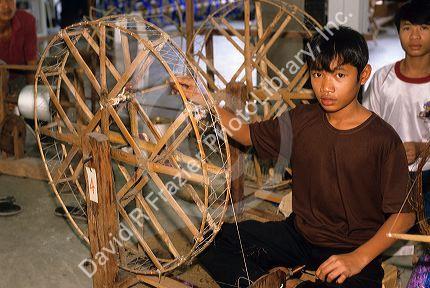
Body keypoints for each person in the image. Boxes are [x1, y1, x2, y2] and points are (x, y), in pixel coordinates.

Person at [174, 26, 416, 288]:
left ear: (363, 75)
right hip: (299, 236)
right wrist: (204, 98)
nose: (326, 86)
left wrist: (358, 258)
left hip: (352, 248)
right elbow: (245, 135)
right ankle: (263, 283)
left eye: (339, 75)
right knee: (209, 239)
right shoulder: (301, 120)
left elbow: (405, 215)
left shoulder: (382, 139)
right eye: (318, 74)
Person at [363, 0, 430, 217]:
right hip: (386, 173)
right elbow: (366, 128)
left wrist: (421, 149)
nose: (415, 36)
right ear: (398, 31)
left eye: (424, 28)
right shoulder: (383, 78)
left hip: (427, 176)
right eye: (407, 28)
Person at [0, 0, 37, 216]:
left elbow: (31, 65)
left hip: (19, 82)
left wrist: (35, 97)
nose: (7, 5)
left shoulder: (27, 22)